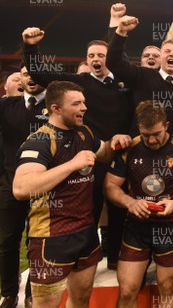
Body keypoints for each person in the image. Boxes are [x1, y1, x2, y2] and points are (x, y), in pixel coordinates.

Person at [12, 81, 130, 308]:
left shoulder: (84, 132)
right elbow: (21, 188)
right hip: (52, 237)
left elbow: (102, 154)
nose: (84, 108)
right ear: (56, 108)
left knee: (81, 301)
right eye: (76, 103)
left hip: (86, 233)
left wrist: (114, 143)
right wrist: (72, 165)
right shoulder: (40, 140)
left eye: (84, 102)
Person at [104, 101, 173, 308]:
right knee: (127, 291)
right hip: (137, 226)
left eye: (156, 133)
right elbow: (110, 186)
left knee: (167, 286)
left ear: (166, 125)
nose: (152, 140)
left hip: (170, 226)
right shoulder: (129, 148)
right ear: (139, 128)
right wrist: (130, 202)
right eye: (146, 135)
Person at [106, 0, 173, 140]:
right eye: (167, 51)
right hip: (142, 151)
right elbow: (113, 62)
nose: (172, 54)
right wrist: (121, 32)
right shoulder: (142, 76)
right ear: (160, 57)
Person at [0, 65, 47, 308]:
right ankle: (9, 293)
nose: (30, 78)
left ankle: (31, 294)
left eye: (35, 73)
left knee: (37, 241)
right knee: (7, 240)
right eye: (25, 74)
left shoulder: (55, 107)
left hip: (42, 186)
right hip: (10, 183)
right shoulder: (7, 105)